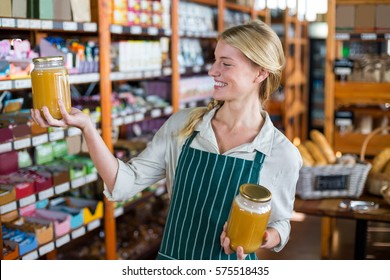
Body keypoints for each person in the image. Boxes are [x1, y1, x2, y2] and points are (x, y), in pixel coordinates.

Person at [31, 20, 302, 260]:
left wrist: (266, 237)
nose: (212, 71)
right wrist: (88, 128)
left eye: (226, 64)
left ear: (260, 73)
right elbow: (123, 184)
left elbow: (281, 222)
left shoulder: (281, 153)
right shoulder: (183, 126)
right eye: (215, 59)